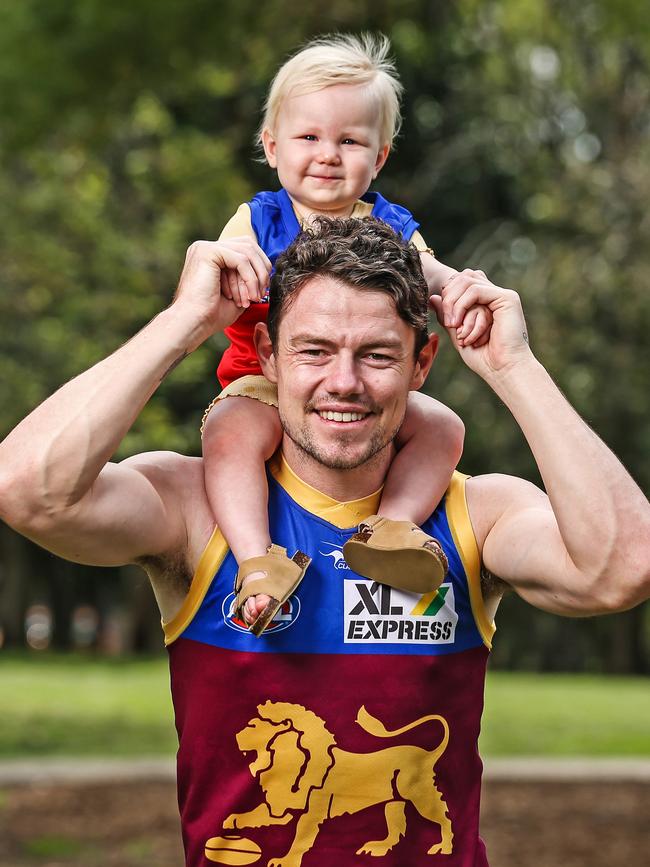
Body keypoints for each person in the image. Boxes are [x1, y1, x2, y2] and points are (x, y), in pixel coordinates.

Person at [0, 218, 648, 867]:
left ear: (423, 361)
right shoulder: (198, 508)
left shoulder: (475, 513)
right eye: (314, 350)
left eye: (377, 354)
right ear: (268, 354)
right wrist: (183, 323)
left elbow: (625, 566)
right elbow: (26, 488)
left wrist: (514, 367)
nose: (344, 382)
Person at [202, 34, 491, 633]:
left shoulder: (388, 223)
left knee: (441, 426)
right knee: (229, 433)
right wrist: (231, 265)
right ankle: (257, 561)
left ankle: (393, 529)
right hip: (264, 381)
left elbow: (430, 274)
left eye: (350, 141)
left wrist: (462, 290)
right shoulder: (260, 219)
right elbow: (225, 258)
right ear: (272, 146)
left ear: (379, 157)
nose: (328, 154)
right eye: (309, 138)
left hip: (358, 392)